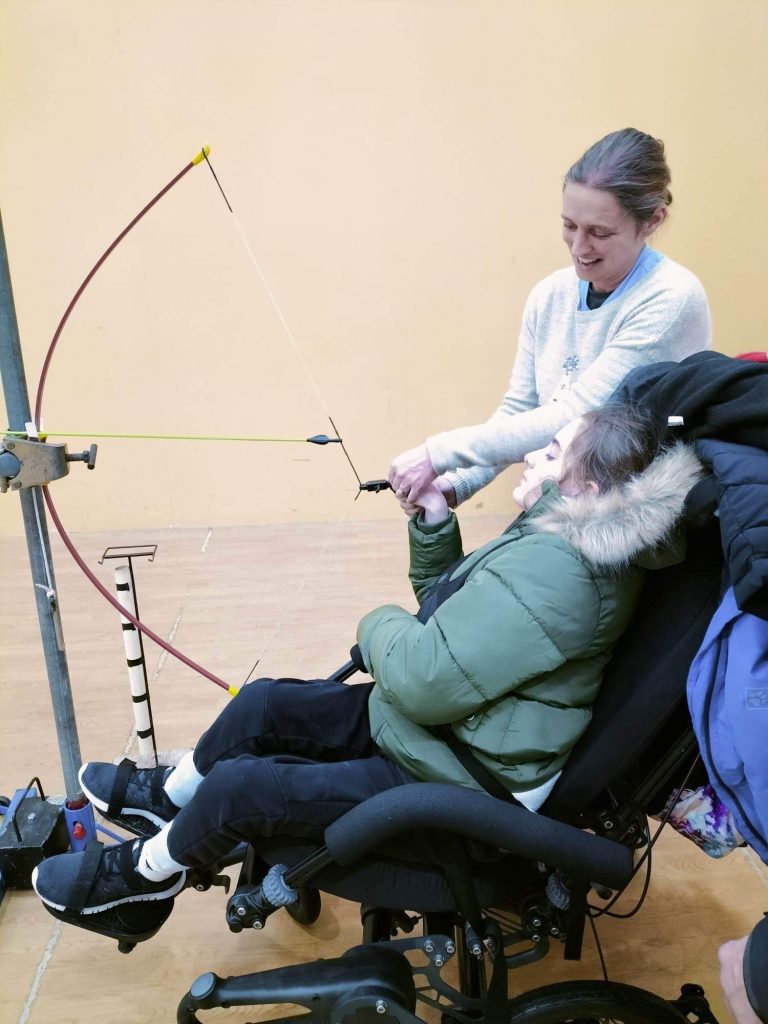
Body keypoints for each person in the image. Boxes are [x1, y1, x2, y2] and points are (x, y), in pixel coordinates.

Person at [32, 404, 702, 921]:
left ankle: (143, 879)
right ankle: (170, 799)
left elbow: (425, 678)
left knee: (243, 789)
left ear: (587, 485)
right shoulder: (565, 536)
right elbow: (457, 618)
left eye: (552, 451)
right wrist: (434, 524)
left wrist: (376, 620)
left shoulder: (565, 569)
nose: (534, 455)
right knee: (264, 705)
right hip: (453, 732)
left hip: (464, 778)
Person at [389, 127, 711, 512]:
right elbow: (521, 410)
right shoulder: (550, 295)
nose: (579, 247)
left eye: (599, 232)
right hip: (560, 506)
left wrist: (438, 453)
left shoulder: (671, 297)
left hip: (629, 520)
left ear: (653, 220)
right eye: (569, 225)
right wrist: (455, 484)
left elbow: (577, 417)